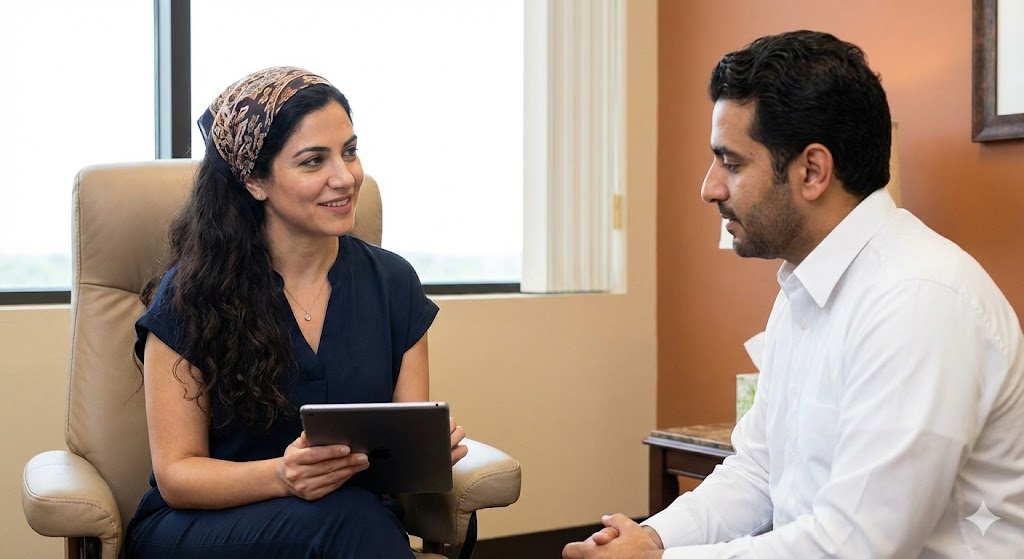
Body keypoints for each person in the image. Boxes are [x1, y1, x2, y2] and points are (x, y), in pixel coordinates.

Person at [563, 30, 1024, 558]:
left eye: (732, 164)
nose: (709, 188)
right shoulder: (803, 288)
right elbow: (758, 471)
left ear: (812, 171)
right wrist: (656, 536)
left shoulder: (918, 300)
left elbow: (859, 545)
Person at [125, 66, 468, 558]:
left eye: (349, 151)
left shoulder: (394, 283)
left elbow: (395, 464)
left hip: (350, 517)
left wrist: (423, 454)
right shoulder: (191, 295)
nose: (344, 177)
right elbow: (178, 476)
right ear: (255, 181)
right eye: (313, 161)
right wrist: (283, 476)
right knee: (351, 521)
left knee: (355, 517)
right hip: (203, 528)